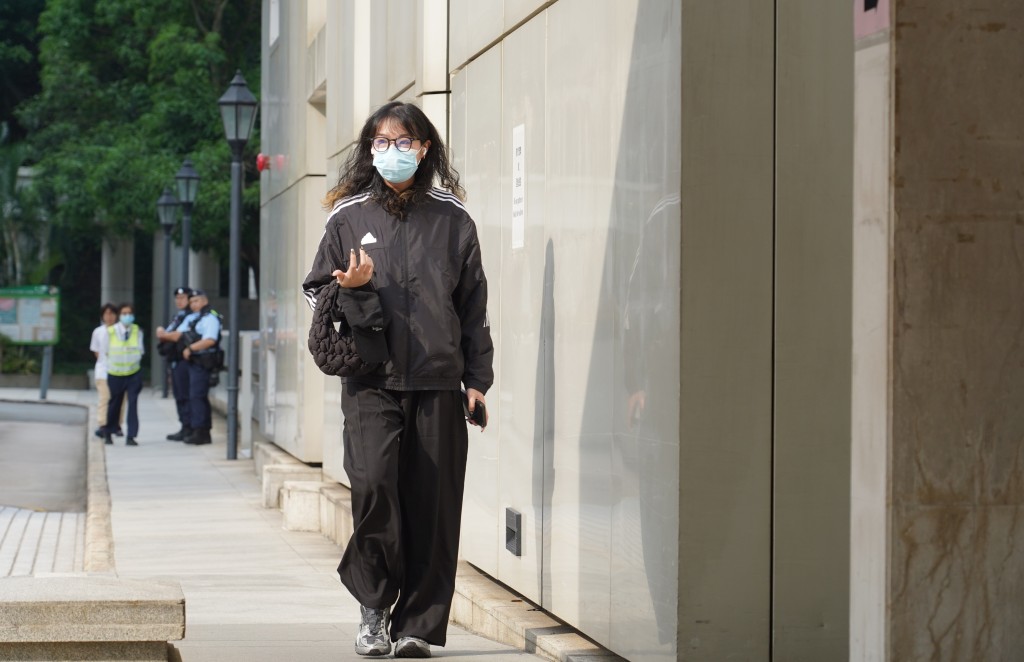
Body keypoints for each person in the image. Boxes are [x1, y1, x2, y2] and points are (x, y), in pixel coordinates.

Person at [301, 101, 493, 658]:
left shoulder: (454, 219)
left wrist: (477, 380)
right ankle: (373, 609)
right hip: (370, 381)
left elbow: (473, 305)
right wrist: (355, 287)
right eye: (380, 143)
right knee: (375, 490)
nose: (391, 152)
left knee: (433, 506)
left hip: (438, 381)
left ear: (424, 147)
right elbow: (317, 289)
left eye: (402, 142)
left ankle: (419, 628)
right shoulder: (348, 217)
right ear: (369, 150)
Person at [177, 289, 222, 446]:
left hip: (203, 362)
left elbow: (210, 340)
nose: (193, 305)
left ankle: (201, 432)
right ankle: (199, 430)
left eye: (196, 301)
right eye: (191, 302)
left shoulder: (210, 318)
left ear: (204, 301)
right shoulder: (195, 318)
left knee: (197, 397)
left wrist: (190, 349)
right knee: (195, 397)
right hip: (195, 363)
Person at [100, 303, 144, 446]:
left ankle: (131, 435)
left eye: (129, 313)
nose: (127, 316)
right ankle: (108, 432)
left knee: (133, 403)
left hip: (133, 373)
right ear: (119, 315)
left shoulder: (137, 331)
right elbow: (105, 351)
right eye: (124, 313)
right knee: (114, 404)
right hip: (115, 373)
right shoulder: (110, 331)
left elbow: (141, 350)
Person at [156, 286, 195, 441]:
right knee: (179, 394)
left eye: (183, 298)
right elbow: (168, 333)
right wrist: (164, 333)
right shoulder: (177, 316)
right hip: (175, 359)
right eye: (177, 298)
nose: (179, 301)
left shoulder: (191, 317)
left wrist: (164, 334)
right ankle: (184, 425)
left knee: (185, 394)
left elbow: (177, 336)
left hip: (185, 360)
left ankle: (190, 426)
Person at [89, 303, 124, 437]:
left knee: (120, 399)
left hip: (120, 370)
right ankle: (103, 424)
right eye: (106, 314)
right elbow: (96, 351)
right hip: (103, 370)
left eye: (112, 314)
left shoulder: (121, 330)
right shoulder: (98, 331)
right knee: (105, 398)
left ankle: (117, 424)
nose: (109, 317)